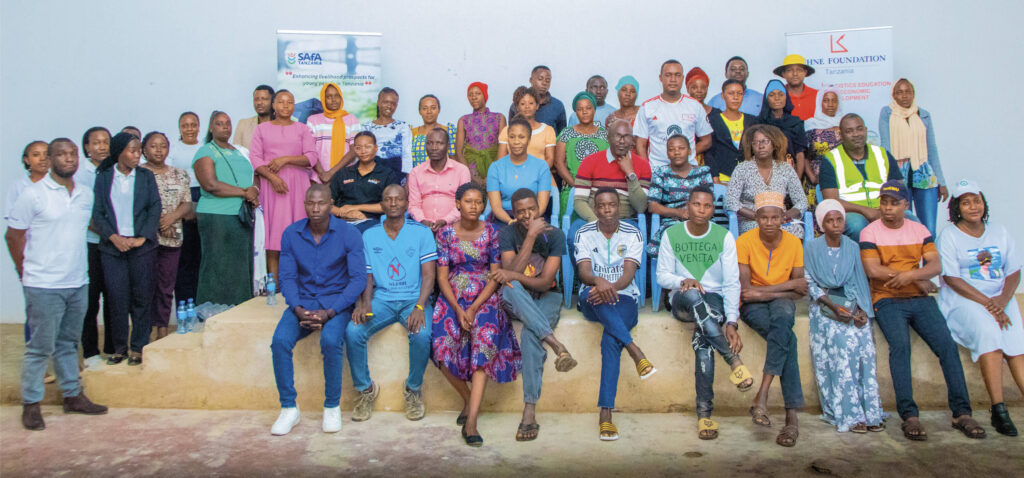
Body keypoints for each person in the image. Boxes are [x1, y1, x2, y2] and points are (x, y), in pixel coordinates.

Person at [859, 180, 984, 441]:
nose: (888, 208)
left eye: (894, 203)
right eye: (884, 202)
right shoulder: (870, 232)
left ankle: (962, 413)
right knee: (900, 348)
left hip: (919, 298)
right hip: (886, 299)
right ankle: (910, 416)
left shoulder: (919, 230)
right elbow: (873, 270)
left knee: (947, 347)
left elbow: (936, 266)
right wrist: (914, 276)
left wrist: (910, 277)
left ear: (906, 205)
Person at [6, 138, 108, 430]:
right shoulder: (33, 195)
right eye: (61, 154)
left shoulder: (85, 195)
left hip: (77, 281)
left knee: (67, 343)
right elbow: (13, 236)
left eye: (72, 153)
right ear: (50, 159)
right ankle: (31, 404)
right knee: (39, 348)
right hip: (43, 285)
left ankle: (72, 396)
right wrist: (25, 271)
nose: (68, 158)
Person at [656, 184, 754, 440]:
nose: (701, 210)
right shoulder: (672, 234)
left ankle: (705, 415)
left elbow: (732, 283)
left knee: (702, 342)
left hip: (713, 302)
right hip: (681, 299)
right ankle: (732, 360)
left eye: (707, 205)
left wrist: (732, 321)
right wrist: (683, 280)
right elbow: (662, 276)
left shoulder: (723, 237)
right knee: (691, 293)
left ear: (713, 210)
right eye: (696, 204)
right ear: (687, 207)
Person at [269, 184, 366, 436]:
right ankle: (289, 407)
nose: (315, 208)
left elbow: (357, 279)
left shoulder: (348, 233)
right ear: (304, 205)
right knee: (279, 341)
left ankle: (331, 405)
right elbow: (287, 278)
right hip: (302, 302)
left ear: (330, 204)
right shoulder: (291, 233)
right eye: (310, 203)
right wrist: (298, 308)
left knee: (331, 340)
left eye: (321, 203)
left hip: (336, 303)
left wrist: (330, 312)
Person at [432, 182, 521, 447]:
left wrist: (473, 308)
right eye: (468, 201)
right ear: (457, 205)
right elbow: (442, 276)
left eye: (479, 202)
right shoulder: (445, 234)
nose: (474, 206)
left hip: (485, 294)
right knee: (439, 347)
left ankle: (471, 421)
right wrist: (459, 309)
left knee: (483, 343)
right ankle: (470, 399)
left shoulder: (493, 231)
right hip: (452, 295)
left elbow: (495, 275)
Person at [938, 180, 1023, 437]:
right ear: (957, 208)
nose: (973, 206)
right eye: (965, 202)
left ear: (983, 202)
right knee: (990, 338)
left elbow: (1014, 271)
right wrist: (988, 304)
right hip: (965, 300)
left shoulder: (999, 231)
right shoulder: (949, 235)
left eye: (976, 200)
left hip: (1000, 299)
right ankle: (999, 410)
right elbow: (952, 278)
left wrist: (1001, 301)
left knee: (1016, 343)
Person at [491, 188, 576, 442]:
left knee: (530, 336)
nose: (528, 215)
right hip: (517, 298)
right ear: (513, 214)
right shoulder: (507, 233)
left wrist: (513, 277)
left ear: (539, 209)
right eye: (521, 212)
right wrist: (529, 238)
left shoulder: (556, 235)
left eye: (532, 210)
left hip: (547, 296)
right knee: (512, 288)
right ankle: (556, 344)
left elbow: (545, 281)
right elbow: (509, 274)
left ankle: (529, 411)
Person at [573, 188, 657, 441]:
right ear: (595, 208)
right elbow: (584, 272)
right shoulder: (583, 233)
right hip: (592, 297)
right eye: (601, 205)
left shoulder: (633, 233)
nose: (607, 209)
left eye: (611, 205)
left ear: (618, 207)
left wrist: (609, 287)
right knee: (593, 295)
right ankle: (635, 351)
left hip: (625, 297)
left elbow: (628, 275)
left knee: (611, 339)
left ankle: (606, 414)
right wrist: (598, 281)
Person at [348, 185, 436, 422]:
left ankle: (413, 390)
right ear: (382, 204)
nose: (394, 203)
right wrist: (364, 303)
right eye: (388, 199)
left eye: (399, 199)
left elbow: (429, 275)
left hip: (412, 300)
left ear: (407, 203)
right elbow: (367, 274)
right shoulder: (369, 235)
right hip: (382, 300)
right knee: (353, 331)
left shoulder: (421, 233)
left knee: (421, 334)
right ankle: (366, 390)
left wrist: (419, 306)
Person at [804, 199, 885, 433]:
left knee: (865, 347)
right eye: (829, 220)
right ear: (821, 225)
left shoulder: (852, 246)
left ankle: (870, 412)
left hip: (852, 305)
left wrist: (859, 310)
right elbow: (809, 283)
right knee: (842, 346)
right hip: (825, 306)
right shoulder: (811, 248)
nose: (835, 224)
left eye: (839, 219)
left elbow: (859, 281)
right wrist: (834, 306)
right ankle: (849, 415)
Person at [737, 192, 808, 447]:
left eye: (775, 217)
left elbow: (801, 290)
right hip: (753, 306)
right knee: (787, 338)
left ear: (783, 218)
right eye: (763, 217)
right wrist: (780, 288)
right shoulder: (744, 241)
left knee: (783, 323)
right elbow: (746, 292)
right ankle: (791, 416)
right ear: (756, 218)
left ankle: (763, 396)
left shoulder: (794, 243)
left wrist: (765, 290)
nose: (769, 222)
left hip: (779, 300)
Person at [91, 132, 161, 365]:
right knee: (117, 298)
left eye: (138, 151)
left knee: (142, 298)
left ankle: (139, 347)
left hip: (141, 248)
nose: (136, 155)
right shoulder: (103, 177)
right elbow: (97, 213)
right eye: (132, 151)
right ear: (119, 152)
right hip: (113, 249)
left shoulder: (145, 176)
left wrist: (142, 238)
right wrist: (113, 237)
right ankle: (119, 348)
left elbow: (154, 208)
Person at [193, 111, 259, 306]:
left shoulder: (239, 151)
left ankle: (238, 310)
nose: (225, 127)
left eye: (228, 123)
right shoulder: (205, 151)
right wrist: (243, 192)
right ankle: (211, 314)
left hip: (241, 216)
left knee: (240, 267)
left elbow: (253, 174)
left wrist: (254, 189)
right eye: (219, 124)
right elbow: (210, 185)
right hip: (216, 216)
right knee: (217, 266)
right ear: (211, 128)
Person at [251, 89, 316, 279]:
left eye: (290, 102)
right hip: (272, 189)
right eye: (281, 102)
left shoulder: (302, 129)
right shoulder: (262, 129)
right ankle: (275, 286)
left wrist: (285, 160)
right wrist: (273, 178)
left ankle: (298, 284)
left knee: (299, 237)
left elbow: (311, 157)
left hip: (297, 189)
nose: (285, 106)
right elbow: (255, 158)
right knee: (273, 237)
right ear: (273, 105)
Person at [820, 114, 910, 240]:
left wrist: (887, 209)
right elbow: (831, 200)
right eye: (849, 131)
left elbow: (899, 190)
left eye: (859, 129)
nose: (856, 134)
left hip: (885, 208)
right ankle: (865, 259)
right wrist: (866, 211)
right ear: (841, 135)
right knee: (857, 225)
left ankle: (904, 259)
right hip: (853, 212)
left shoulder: (882, 154)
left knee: (912, 219)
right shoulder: (831, 159)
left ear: (866, 130)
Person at [879, 79, 948, 236]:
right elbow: (885, 147)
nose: (904, 96)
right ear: (893, 95)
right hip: (898, 175)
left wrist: (941, 182)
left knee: (928, 228)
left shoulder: (923, 115)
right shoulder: (887, 113)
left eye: (908, 92)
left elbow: (932, 150)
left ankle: (930, 260)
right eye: (899, 92)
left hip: (923, 174)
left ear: (914, 94)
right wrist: (888, 179)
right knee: (904, 226)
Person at [140, 131, 191, 340]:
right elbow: (138, 206)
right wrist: (161, 223)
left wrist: (172, 218)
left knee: (166, 286)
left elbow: (187, 203)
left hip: (173, 238)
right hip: (145, 239)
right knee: (144, 286)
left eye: (163, 145)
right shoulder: (138, 174)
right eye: (153, 146)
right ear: (144, 150)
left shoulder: (180, 174)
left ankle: (162, 328)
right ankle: (143, 331)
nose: (159, 150)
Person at [726, 124, 807, 238]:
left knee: (795, 230)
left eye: (765, 141)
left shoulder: (785, 168)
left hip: (780, 221)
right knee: (757, 230)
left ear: (774, 144)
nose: (761, 146)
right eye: (756, 142)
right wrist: (757, 216)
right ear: (752, 147)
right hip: (752, 222)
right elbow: (730, 201)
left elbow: (801, 202)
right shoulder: (742, 169)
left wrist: (784, 216)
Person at [75, 126, 113, 363]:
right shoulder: (80, 175)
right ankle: (90, 352)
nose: (101, 146)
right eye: (95, 142)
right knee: (90, 300)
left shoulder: (114, 172)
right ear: (86, 147)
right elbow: (84, 215)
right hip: (90, 245)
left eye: (105, 142)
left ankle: (112, 348)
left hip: (113, 246)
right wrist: (110, 233)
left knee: (113, 298)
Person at [634, 59, 712, 169]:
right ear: (660, 78)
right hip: (657, 171)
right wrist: (647, 170)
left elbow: (707, 141)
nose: (673, 80)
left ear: (682, 78)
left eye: (677, 75)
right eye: (668, 75)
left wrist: (685, 155)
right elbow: (640, 144)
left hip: (688, 171)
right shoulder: (647, 107)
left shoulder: (695, 106)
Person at [646, 135, 713, 257]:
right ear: (667, 154)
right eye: (671, 149)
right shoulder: (660, 173)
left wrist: (694, 215)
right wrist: (679, 213)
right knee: (679, 234)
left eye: (681, 148)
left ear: (689, 151)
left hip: (701, 218)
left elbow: (709, 203)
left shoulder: (702, 172)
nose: (676, 152)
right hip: (672, 221)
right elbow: (652, 206)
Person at [328, 87, 413, 181]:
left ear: (396, 105)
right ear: (378, 102)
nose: (389, 106)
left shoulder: (403, 127)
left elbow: (407, 155)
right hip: (371, 175)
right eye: (385, 102)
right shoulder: (367, 127)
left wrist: (407, 182)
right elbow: (360, 153)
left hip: (397, 175)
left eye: (393, 103)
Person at [166, 112, 203, 311]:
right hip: (182, 200)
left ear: (199, 127)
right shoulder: (173, 149)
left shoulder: (205, 147)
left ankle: (200, 306)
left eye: (193, 125)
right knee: (184, 258)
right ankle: (184, 306)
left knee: (201, 256)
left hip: (204, 198)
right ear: (180, 128)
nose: (189, 129)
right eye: (185, 125)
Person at [487, 118, 552, 228]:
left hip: (533, 218)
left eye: (521, 137)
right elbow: (496, 206)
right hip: (505, 219)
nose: (516, 142)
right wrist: (510, 222)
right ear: (508, 139)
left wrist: (527, 220)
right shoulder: (496, 167)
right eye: (512, 137)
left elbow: (541, 205)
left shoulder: (542, 166)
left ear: (529, 139)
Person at [328, 131, 400, 233]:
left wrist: (355, 208)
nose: (363, 151)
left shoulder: (386, 174)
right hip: (343, 221)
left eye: (368, 147)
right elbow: (327, 204)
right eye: (358, 148)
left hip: (372, 222)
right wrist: (342, 213)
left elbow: (389, 205)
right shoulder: (343, 173)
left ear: (376, 148)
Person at [408, 128, 472, 232]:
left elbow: (464, 204)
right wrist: (422, 220)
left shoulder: (461, 171)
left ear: (447, 146)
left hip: (454, 227)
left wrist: (445, 220)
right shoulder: (416, 172)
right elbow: (414, 205)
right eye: (430, 143)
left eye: (439, 143)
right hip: (423, 227)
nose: (434, 148)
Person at [554, 91, 609, 212]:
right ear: (575, 112)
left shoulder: (604, 134)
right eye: (580, 109)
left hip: (600, 189)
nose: (584, 112)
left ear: (594, 110)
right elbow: (559, 163)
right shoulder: (567, 133)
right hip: (572, 187)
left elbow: (610, 162)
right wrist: (575, 185)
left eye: (588, 108)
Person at [498, 87, 557, 183]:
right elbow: (501, 160)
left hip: (541, 178)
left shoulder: (548, 130)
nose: (527, 106)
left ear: (537, 106)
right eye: (522, 103)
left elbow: (550, 159)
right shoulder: (506, 131)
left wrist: (534, 174)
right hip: (513, 179)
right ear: (517, 107)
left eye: (531, 103)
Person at [706, 79, 759, 183]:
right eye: (731, 93)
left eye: (739, 93)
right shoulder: (713, 120)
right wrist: (715, 177)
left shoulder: (751, 120)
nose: (736, 97)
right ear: (723, 95)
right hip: (723, 177)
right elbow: (709, 152)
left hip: (747, 178)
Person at [306, 82, 359, 184]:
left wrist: (331, 173)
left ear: (341, 98)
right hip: (318, 177)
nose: (333, 100)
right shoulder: (313, 120)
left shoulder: (352, 120)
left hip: (345, 176)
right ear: (323, 99)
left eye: (336, 96)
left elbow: (354, 151)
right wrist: (322, 173)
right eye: (329, 96)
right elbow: (309, 150)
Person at [758, 80, 809, 182]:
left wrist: (796, 181)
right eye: (772, 95)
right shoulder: (759, 124)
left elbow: (800, 154)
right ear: (766, 99)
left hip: (791, 174)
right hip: (764, 177)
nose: (777, 98)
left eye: (781, 94)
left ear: (786, 97)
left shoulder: (795, 122)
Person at [455, 82, 506, 185]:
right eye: (470, 95)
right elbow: (459, 152)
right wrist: (470, 175)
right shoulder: (463, 120)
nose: (474, 97)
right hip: (471, 170)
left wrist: (492, 174)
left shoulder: (499, 118)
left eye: (478, 93)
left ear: (485, 95)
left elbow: (504, 148)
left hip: (495, 168)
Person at [804, 89, 845, 197]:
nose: (830, 104)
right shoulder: (810, 124)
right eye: (826, 100)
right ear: (819, 103)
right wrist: (812, 177)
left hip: (841, 178)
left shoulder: (845, 123)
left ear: (838, 103)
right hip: (815, 179)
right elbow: (804, 155)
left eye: (834, 101)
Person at [509, 65, 566, 134]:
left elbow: (562, 135)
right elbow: (511, 132)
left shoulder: (558, 105)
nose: (544, 83)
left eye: (547, 80)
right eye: (540, 79)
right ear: (531, 80)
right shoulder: (517, 105)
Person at [5, 141, 48, 221]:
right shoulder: (18, 185)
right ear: (26, 160)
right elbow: (12, 218)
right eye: (36, 155)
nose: (43, 158)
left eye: (46, 154)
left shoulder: (60, 183)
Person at [410, 94, 457, 169]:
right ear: (420, 111)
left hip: (442, 177)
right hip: (417, 178)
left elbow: (453, 159)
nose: (429, 111)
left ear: (439, 110)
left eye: (433, 108)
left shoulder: (448, 131)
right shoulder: (411, 133)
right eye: (425, 108)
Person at [774, 54, 817, 121]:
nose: (795, 74)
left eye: (799, 70)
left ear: (805, 72)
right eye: (789, 70)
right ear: (783, 74)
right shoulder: (776, 97)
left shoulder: (818, 95)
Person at [233, 84, 275, 149]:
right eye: (256, 99)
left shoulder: (284, 124)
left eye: (264, 99)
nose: (259, 102)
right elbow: (237, 153)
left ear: (273, 101)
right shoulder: (243, 124)